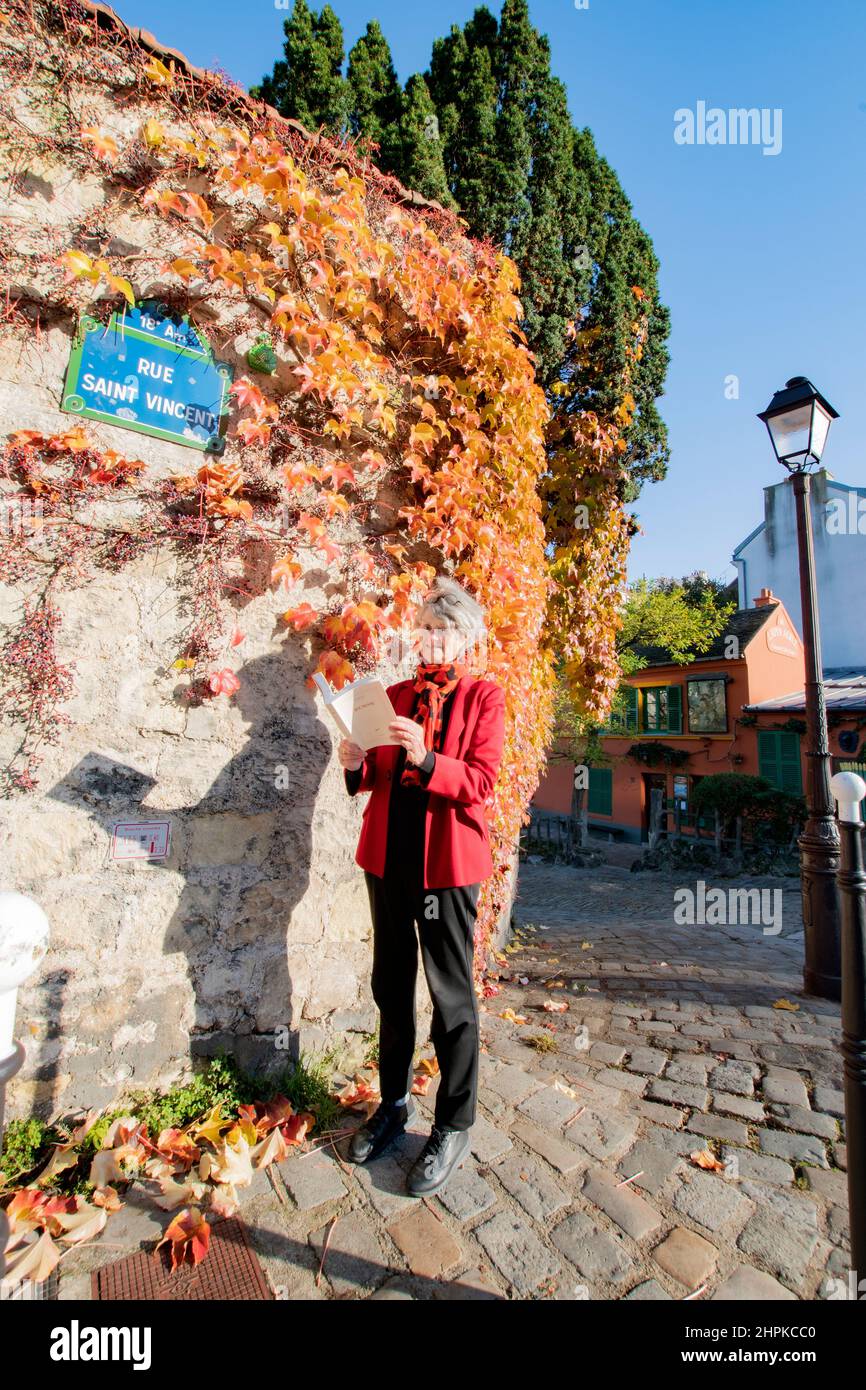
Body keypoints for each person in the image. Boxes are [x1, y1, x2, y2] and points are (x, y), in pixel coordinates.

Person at [337, 575, 506, 1196]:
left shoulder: (484, 697)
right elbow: (375, 776)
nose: (432, 639)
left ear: (466, 638)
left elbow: (482, 783)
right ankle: (392, 1106)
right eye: (427, 628)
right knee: (390, 987)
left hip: (447, 869)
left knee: (451, 997)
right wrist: (357, 765)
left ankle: (454, 1123)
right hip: (388, 860)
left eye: (445, 630)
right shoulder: (393, 694)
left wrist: (428, 758)